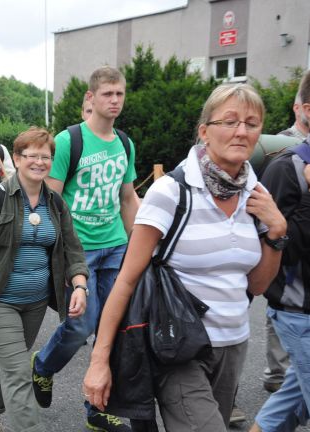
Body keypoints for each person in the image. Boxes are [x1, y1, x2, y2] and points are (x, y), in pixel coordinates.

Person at [83, 83, 286, 430]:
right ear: (205, 132)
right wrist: (99, 360)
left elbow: (257, 283)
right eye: (230, 121)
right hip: (177, 344)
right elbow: (127, 279)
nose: (241, 131)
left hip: (233, 343)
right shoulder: (171, 191)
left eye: (252, 124)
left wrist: (277, 232)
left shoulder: (257, 196)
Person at [0, 127, 88, 432]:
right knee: (18, 374)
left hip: (36, 303)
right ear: (16, 158)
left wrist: (79, 284)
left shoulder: (55, 203)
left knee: (10, 363)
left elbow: (73, 250)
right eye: (32, 155)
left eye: (46, 156)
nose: (40, 162)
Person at [30, 66, 138, 431]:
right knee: (82, 326)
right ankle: (43, 366)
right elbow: (51, 200)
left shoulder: (125, 143)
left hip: (116, 248)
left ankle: (97, 411)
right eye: (108, 94)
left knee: (116, 330)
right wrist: (53, 251)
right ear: (91, 98)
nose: (115, 100)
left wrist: (141, 242)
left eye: (120, 94)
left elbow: (127, 198)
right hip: (78, 252)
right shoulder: (68, 141)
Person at [250, 70, 310, 432]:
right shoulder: (286, 168)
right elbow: (278, 250)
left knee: (285, 407)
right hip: (300, 312)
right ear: (307, 110)